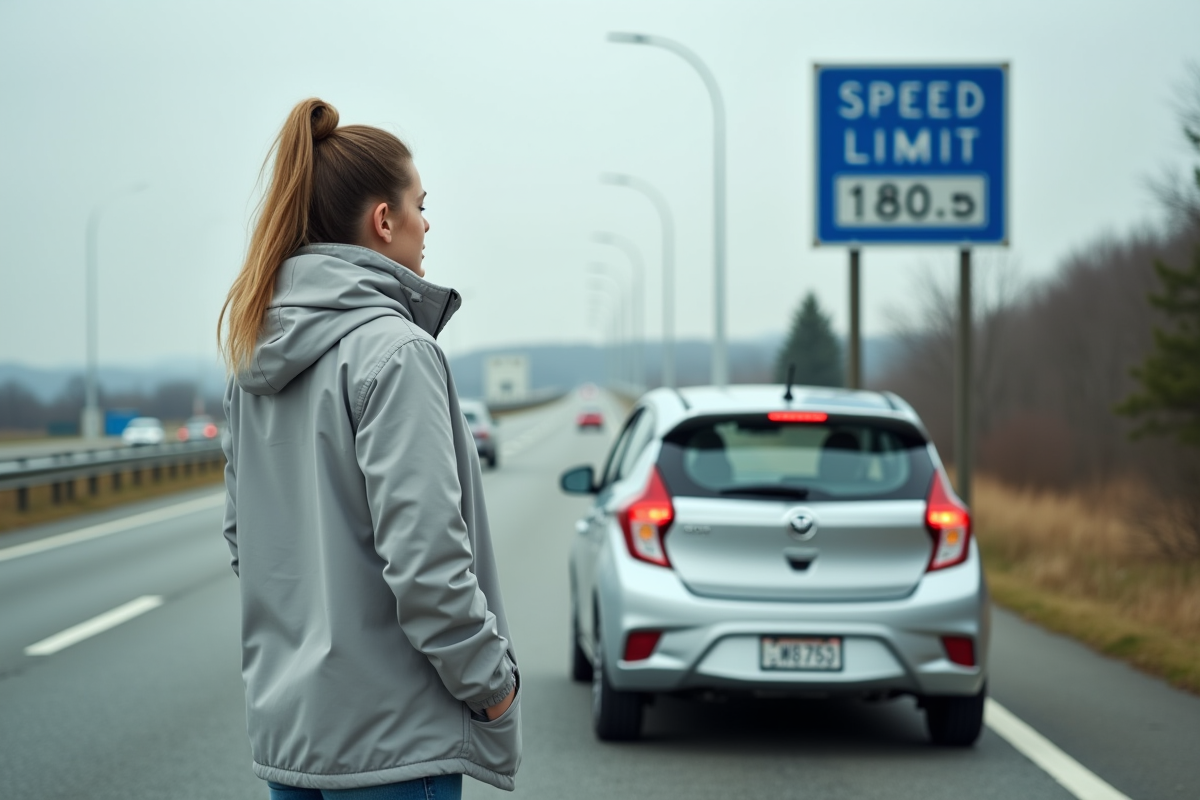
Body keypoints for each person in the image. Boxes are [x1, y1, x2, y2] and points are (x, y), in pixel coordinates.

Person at [218, 98, 520, 799]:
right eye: (420, 204)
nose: (427, 222)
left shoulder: (253, 359)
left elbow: (247, 541)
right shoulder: (397, 352)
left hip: (292, 739)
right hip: (396, 744)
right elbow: (427, 558)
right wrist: (491, 686)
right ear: (384, 221)